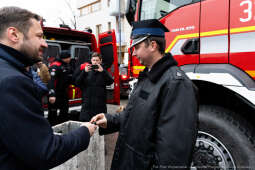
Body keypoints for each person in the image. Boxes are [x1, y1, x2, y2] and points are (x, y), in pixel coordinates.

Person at [91, 19, 198, 170]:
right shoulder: (148, 76)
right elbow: (136, 114)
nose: (133, 53)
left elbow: (173, 151)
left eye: (136, 47)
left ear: (153, 45)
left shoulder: (176, 84)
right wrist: (110, 120)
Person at [0, 7, 97, 170]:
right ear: (14, 34)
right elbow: (46, 151)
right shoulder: (12, 81)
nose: (45, 44)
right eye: (39, 36)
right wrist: (85, 132)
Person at [75, 52, 113, 122]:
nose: (95, 62)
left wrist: (103, 72)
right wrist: (84, 72)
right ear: (91, 61)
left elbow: (110, 82)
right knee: (85, 126)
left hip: (99, 105)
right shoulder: (86, 71)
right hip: (87, 105)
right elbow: (77, 83)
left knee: (99, 126)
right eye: (93, 60)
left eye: (97, 60)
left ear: (100, 61)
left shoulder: (103, 70)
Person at [48, 50, 73, 125]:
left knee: (64, 112)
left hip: (64, 93)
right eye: (68, 57)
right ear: (64, 58)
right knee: (53, 114)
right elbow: (51, 81)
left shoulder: (66, 65)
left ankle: (63, 128)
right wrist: (52, 95)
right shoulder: (55, 65)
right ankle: (51, 130)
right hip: (56, 94)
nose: (70, 59)